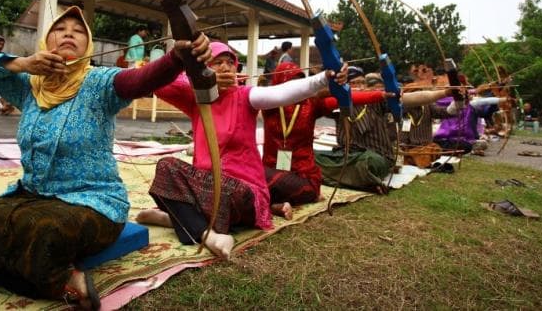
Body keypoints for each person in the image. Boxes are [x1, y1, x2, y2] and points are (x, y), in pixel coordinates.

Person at [0, 6, 210, 308]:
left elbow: (140, 79)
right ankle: (34, 275)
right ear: (46, 41)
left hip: (92, 203)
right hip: (30, 196)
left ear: (88, 45)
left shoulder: (100, 82)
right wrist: (25, 63)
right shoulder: (29, 86)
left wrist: (176, 58)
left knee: (45, 229)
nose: (69, 34)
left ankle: (62, 282)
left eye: (79, 31)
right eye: (60, 29)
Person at [135, 41, 347, 260]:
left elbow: (282, 92)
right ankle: (208, 234)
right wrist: (199, 79)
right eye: (217, 62)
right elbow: (156, 82)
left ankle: (178, 218)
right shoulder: (197, 98)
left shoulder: (245, 95)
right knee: (167, 166)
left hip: (243, 192)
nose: (226, 67)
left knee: (231, 192)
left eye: (230, 63)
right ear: (203, 68)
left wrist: (324, 78)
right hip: (208, 185)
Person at [262, 63, 387, 218]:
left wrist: (381, 95)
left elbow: (349, 97)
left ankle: (272, 202)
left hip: (302, 173)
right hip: (271, 169)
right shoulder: (268, 103)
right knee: (251, 179)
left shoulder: (311, 103)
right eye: (290, 82)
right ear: (278, 84)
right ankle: (275, 205)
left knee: (300, 188)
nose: (295, 87)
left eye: (299, 81)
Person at [317, 72, 453, 192]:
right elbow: (315, 99)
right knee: (314, 157)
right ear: (346, 85)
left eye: (362, 82)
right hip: (345, 155)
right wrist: (332, 90)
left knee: (367, 163)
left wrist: (444, 93)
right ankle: (353, 178)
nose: (360, 86)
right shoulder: (338, 103)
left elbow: (410, 98)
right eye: (354, 83)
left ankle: (342, 176)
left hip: (377, 156)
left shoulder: (376, 100)